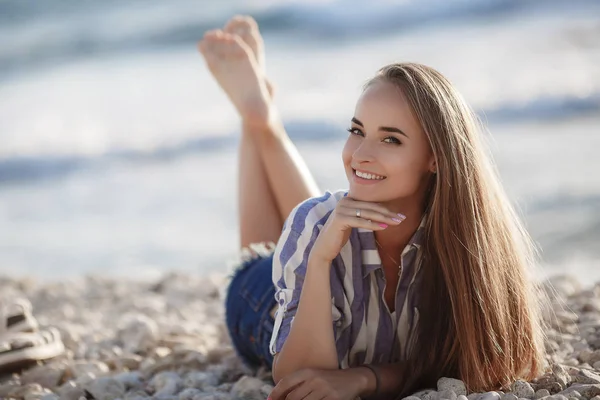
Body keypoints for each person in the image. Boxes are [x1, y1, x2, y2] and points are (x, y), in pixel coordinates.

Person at [197, 15, 548, 400]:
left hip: (327, 243)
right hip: (262, 295)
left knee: (324, 216)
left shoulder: (470, 241)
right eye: (357, 131)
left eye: (391, 140)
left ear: (435, 158)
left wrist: (365, 378)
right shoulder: (314, 224)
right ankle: (257, 121)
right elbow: (297, 381)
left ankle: (261, 117)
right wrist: (319, 261)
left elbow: (495, 362)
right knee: (281, 242)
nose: (360, 153)